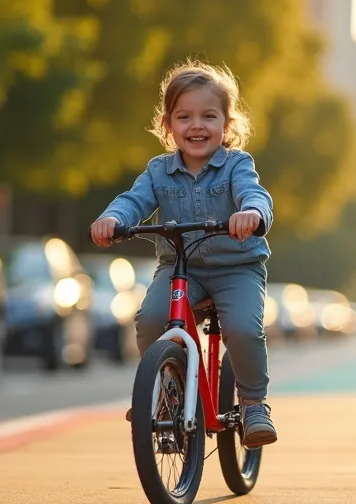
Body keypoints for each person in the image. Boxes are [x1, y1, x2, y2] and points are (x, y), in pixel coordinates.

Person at [90, 60, 277, 448]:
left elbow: (254, 194)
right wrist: (112, 219)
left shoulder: (237, 165)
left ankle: (254, 404)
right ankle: (166, 394)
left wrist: (252, 213)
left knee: (243, 329)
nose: (196, 125)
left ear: (226, 124)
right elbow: (133, 201)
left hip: (236, 268)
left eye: (209, 116)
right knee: (150, 319)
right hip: (181, 269)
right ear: (167, 125)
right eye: (184, 116)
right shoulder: (158, 172)